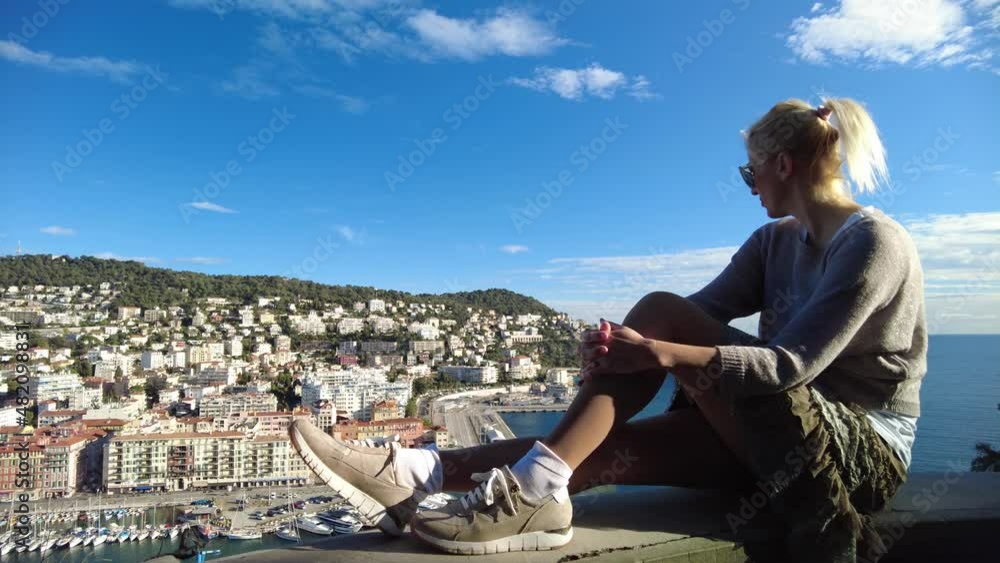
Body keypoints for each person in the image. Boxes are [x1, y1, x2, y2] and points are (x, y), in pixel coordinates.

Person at [288, 97, 926, 562]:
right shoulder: (772, 242)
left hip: (859, 456)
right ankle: (419, 476)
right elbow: (695, 312)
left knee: (654, 315)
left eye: (748, 170)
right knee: (581, 460)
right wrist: (630, 349)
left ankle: (513, 482)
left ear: (781, 164)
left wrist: (655, 348)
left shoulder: (873, 243)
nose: (748, 184)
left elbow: (791, 367)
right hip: (771, 435)